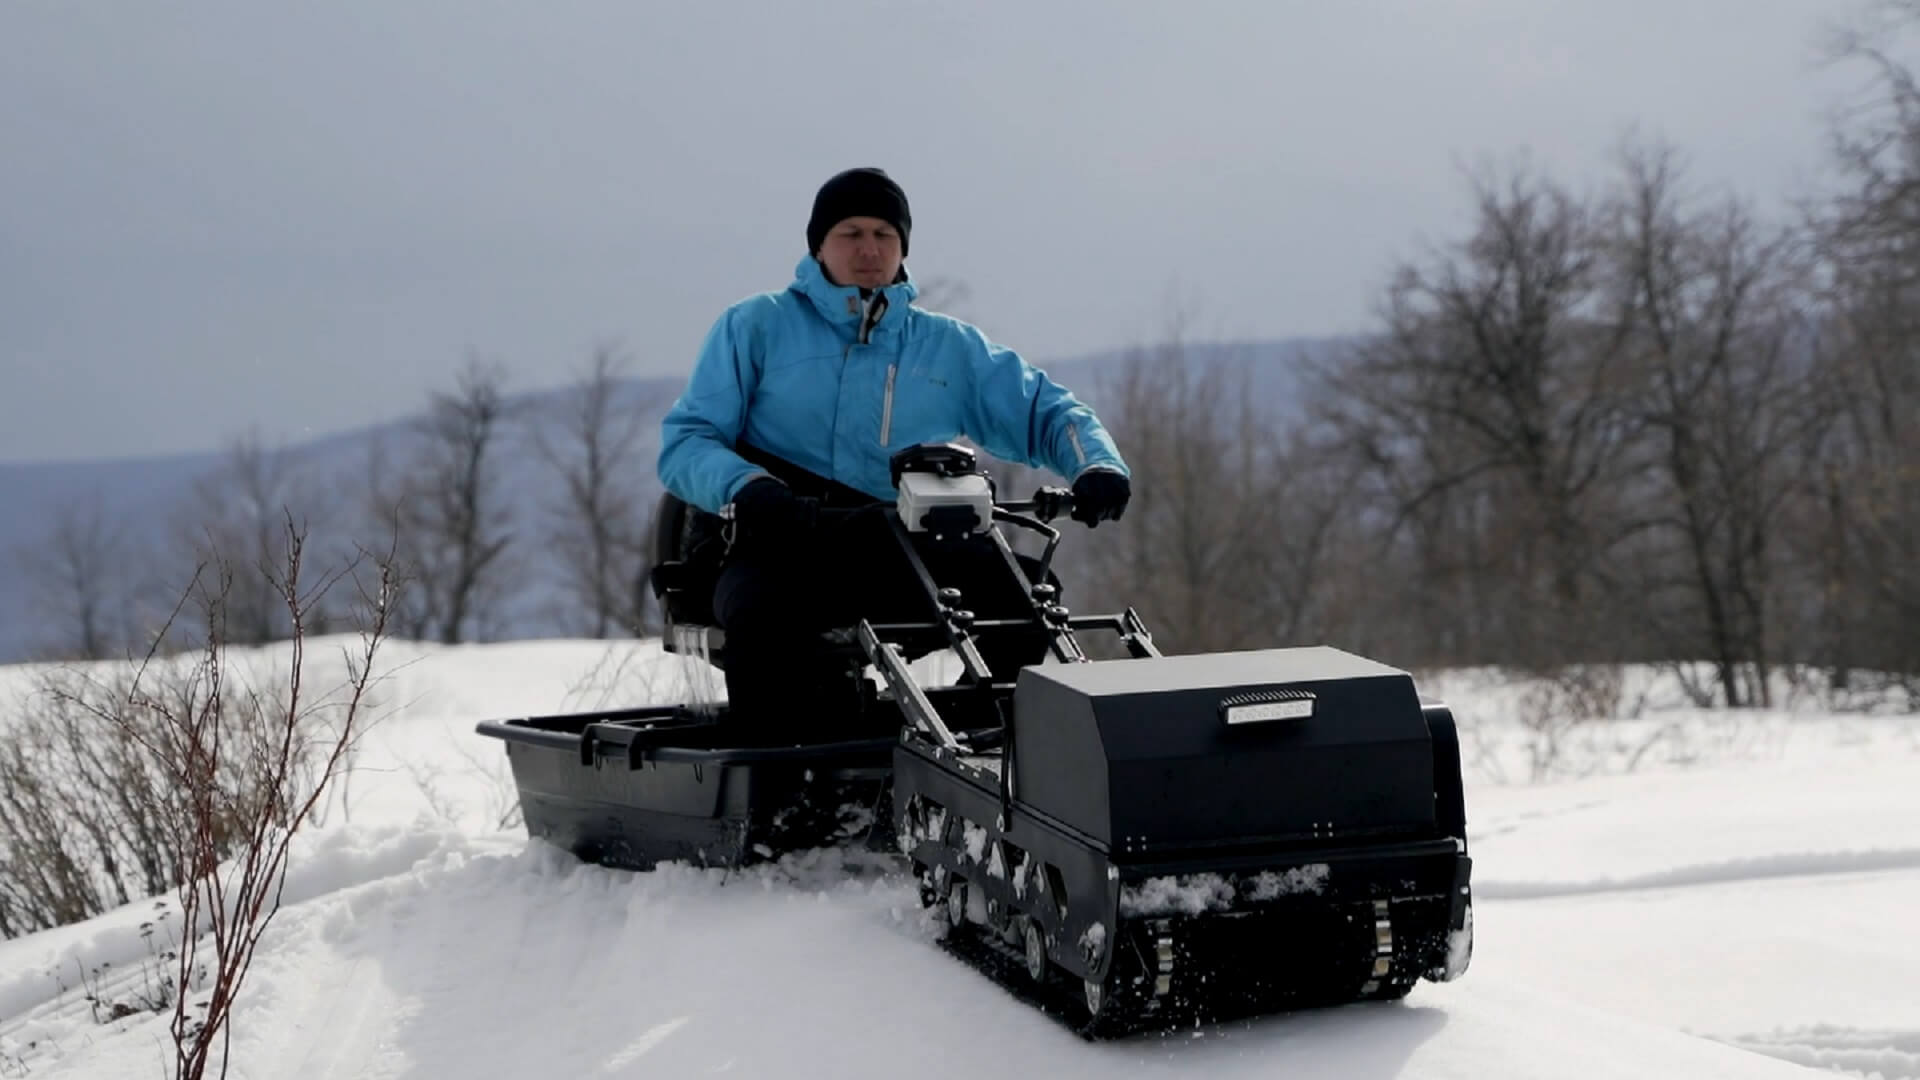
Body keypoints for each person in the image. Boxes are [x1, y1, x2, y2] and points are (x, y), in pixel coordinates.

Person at [656, 167, 1131, 735]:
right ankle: (776, 796)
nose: (868, 250)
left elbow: (1047, 411)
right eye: (850, 233)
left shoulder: (947, 346)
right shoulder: (756, 326)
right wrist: (748, 488)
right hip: (780, 545)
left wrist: (1096, 465)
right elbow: (687, 441)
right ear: (818, 245)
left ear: (903, 245)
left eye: (884, 234)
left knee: (1027, 603)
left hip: (898, 544)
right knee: (762, 620)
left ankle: (972, 756)